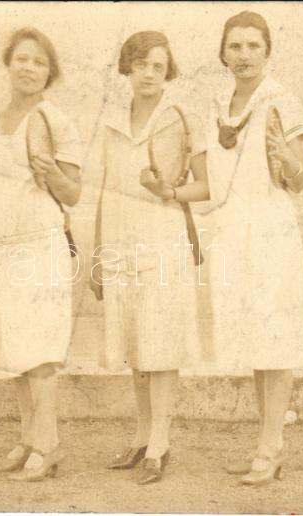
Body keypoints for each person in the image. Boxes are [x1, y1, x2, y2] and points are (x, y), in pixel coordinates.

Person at [89, 31, 209, 485]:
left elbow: (207, 186)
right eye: (140, 64)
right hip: (119, 241)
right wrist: (97, 255)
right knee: (136, 344)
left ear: (167, 72)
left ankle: (160, 442)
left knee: (161, 344)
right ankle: (141, 438)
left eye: (158, 66)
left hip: (163, 242)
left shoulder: (182, 118)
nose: (149, 74)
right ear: (128, 68)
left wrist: (169, 192)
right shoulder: (112, 120)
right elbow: (105, 189)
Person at [205, 10, 303, 486]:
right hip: (231, 231)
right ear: (223, 53)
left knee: (275, 338)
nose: (243, 55)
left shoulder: (282, 101)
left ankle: (271, 448)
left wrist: (288, 159)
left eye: (252, 46)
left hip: (270, 231)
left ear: (267, 51)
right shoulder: (218, 103)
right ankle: (264, 445)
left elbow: (298, 180)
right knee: (252, 338)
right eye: (235, 46)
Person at [0, 27, 82, 482]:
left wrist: (52, 172)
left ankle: (48, 445)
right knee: (15, 354)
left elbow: (72, 193)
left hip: (40, 245)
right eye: (21, 58)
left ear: (49, 73)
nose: (28, 68)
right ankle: (28, 439)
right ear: (8, 64)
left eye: (39, 62)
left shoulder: (57, 121)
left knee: (39, 352)